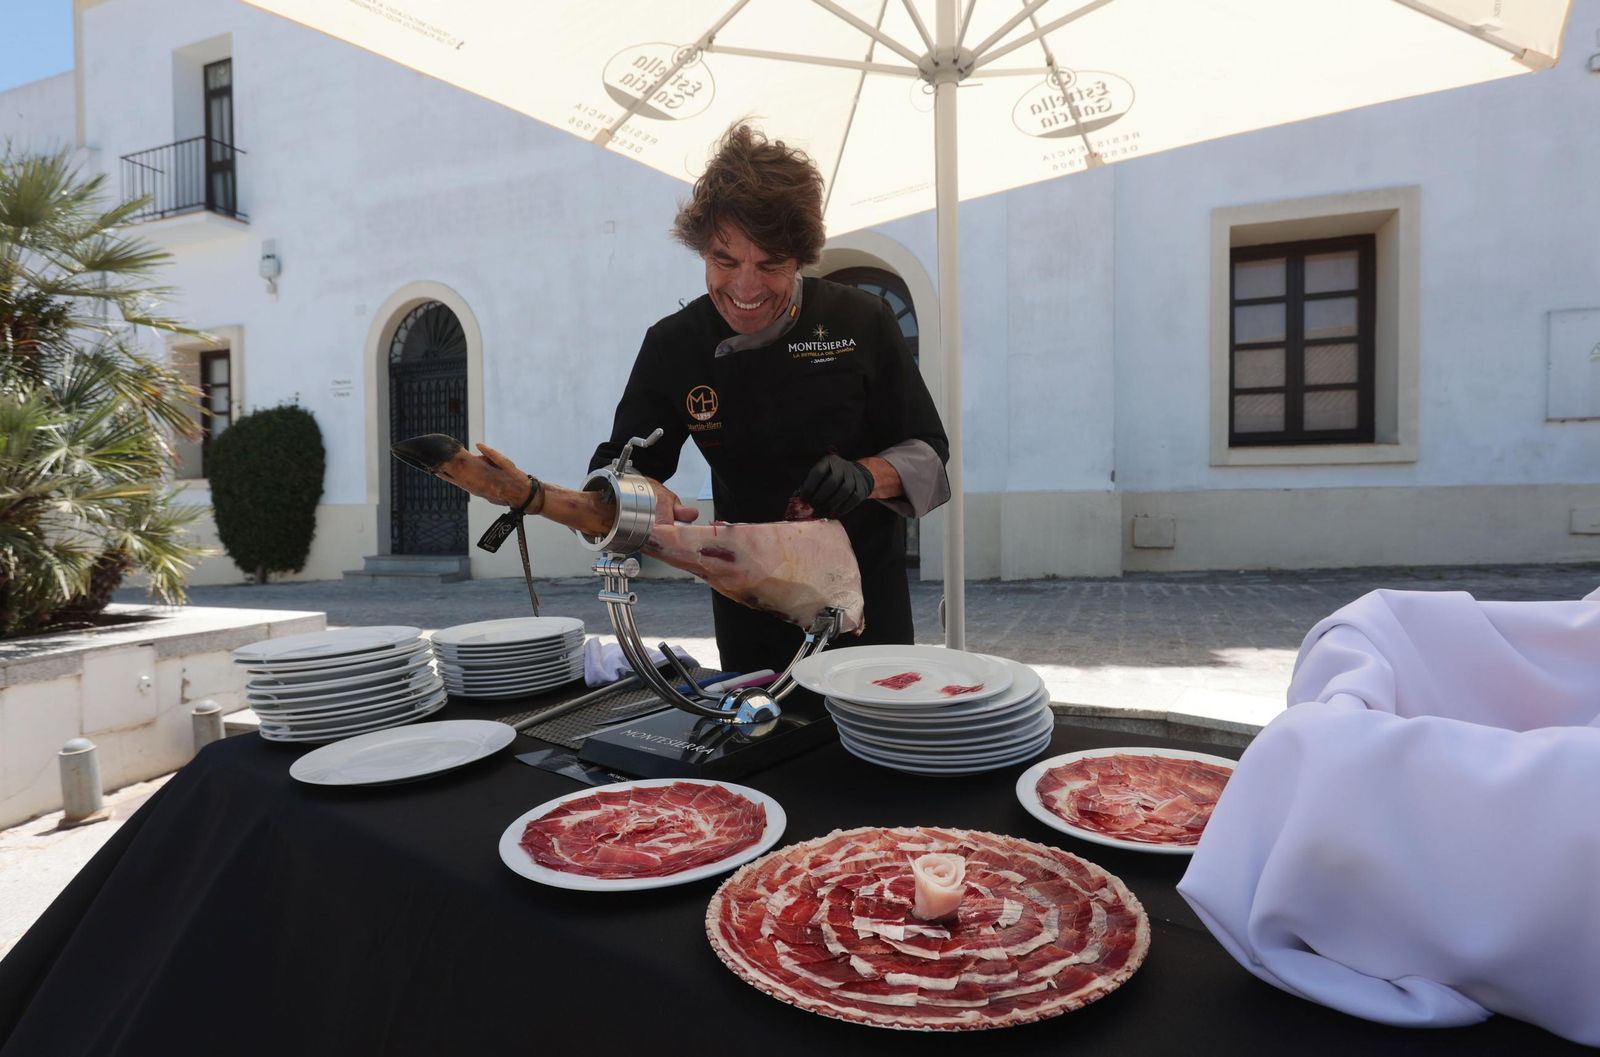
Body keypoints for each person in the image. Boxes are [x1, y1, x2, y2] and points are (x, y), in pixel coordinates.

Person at [590, 124, 950, 681]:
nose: (746, 288)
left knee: (873, 743)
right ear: (701, 250)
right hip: (749, 601)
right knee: (759, 745)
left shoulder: (862, 320)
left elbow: (929, 450)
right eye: (725, 261)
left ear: (802, 257)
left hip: (862, 598)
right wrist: (641, 496)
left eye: (771, 264)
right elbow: (623, 467)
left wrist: (865, 475)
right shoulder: (674, 345)